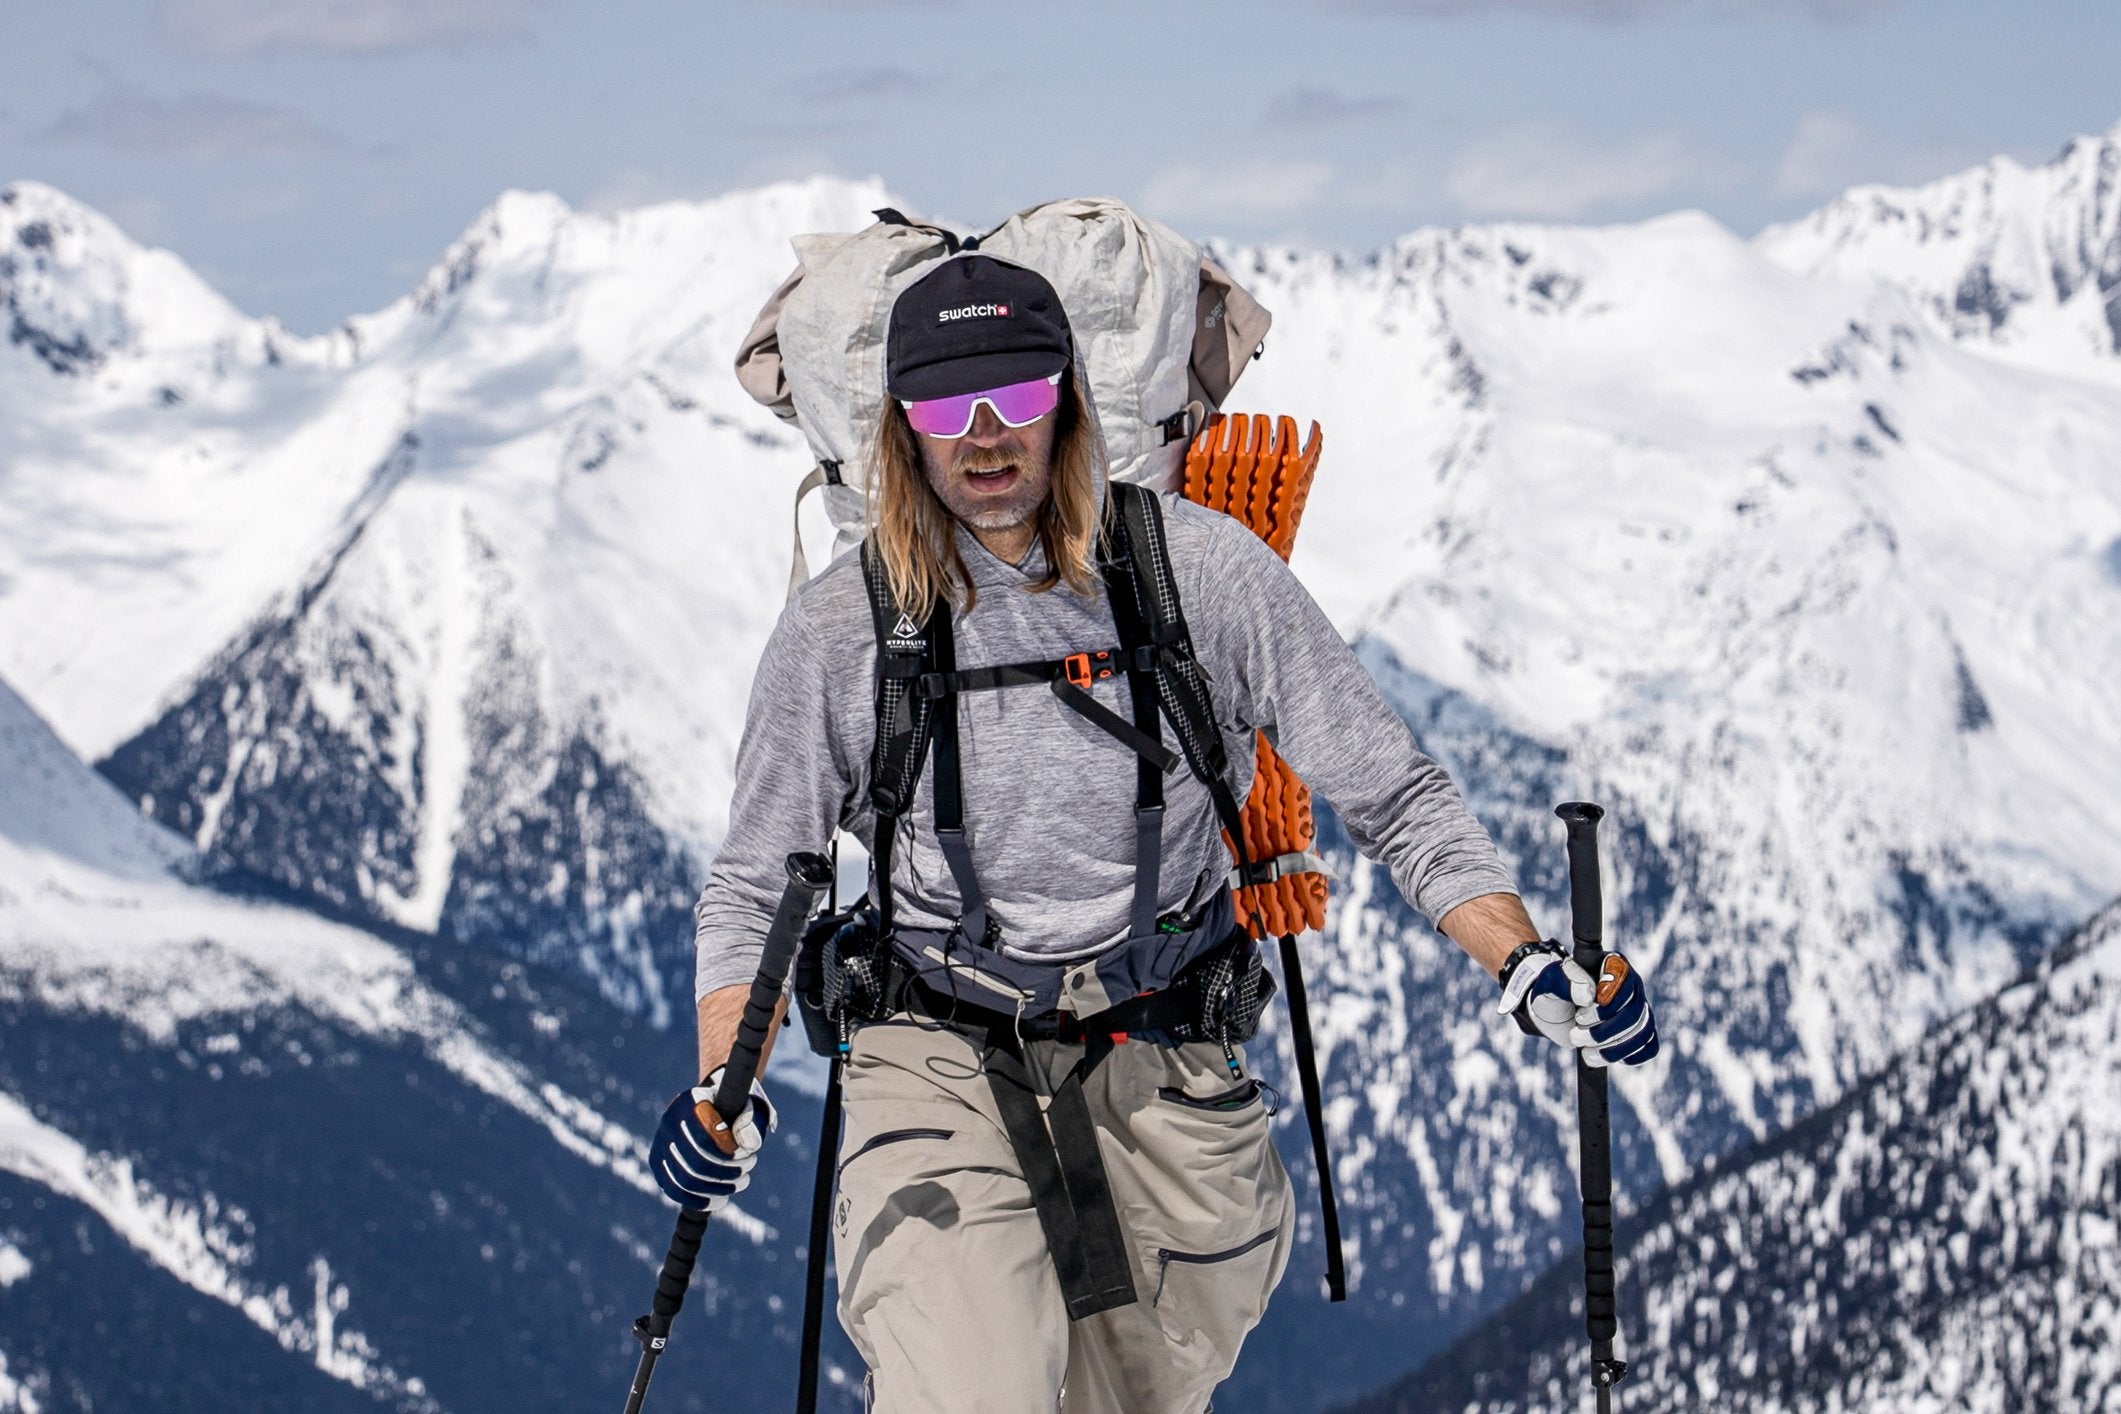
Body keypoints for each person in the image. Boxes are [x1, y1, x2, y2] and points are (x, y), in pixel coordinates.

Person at [652, 253, 1659, 1413]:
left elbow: (1394, 790)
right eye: (945, 408)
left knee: (1133, 1398)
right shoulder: (842, 631)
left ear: (1069, 403)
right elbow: (753, 884)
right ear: (900, 430)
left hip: (1164, 1045)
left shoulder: (1197, 575)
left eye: (1017, 399)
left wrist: (1525, 962)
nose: (985, 437)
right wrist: (723, 1085)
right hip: (933, 1044)